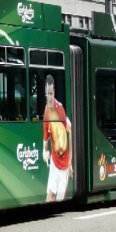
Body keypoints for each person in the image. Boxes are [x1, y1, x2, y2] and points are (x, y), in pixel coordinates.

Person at [42, 74, 72, 202]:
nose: (48, 97)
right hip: (54, 161)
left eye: (50, 93)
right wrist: (45, 152)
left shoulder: (61, 110)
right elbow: (45, 142)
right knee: (50, 195)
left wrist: (70, 163)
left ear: (53, 91)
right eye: (46, 94)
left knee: (60, 200)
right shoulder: (46, 112)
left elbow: (70, 135)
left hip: (65, 164)